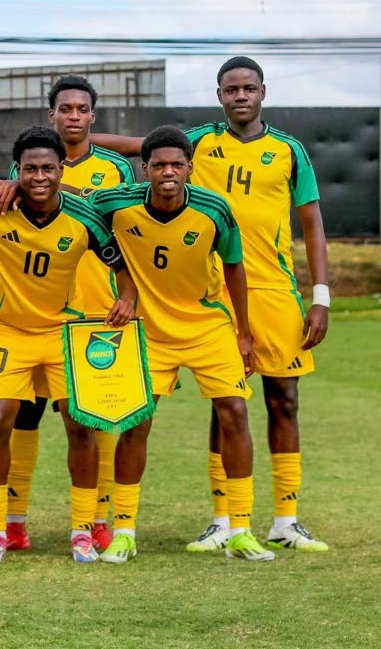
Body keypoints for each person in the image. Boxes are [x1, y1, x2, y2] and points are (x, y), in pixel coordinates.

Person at [92, 57, 330, 553]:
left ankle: (286, 520)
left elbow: (311, 223)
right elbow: (140, 146)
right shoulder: (198, 142)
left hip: (273, 291)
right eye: (230, 89)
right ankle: (224, 521)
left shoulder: (289, 150)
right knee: (225, 408)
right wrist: (71, 142)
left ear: (263, 91)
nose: (240, 96)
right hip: (213, 296)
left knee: (284, 401)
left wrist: (320, 295)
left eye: (248, 88)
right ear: (219, 95)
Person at [0, 126, 136, 564]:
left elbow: (121, 262)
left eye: (48, 168)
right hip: (10, 330)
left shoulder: (84, 217)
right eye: (30, 169)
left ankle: (82, 531)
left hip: (65, 333)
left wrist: (127, 298)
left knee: (80, 426)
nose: (39, 176)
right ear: (16, 171)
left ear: (62, 169)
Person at [90, 126, 274, 563]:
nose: (167, 172)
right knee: (135, 424)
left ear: (190, 168)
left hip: (207, 327)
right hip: (151, 331)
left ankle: (241, 530)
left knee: (235, 411)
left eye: (176, 164)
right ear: (145, 169)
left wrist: (244, 334)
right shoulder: (117, 203)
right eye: (158, 165)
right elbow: (70, 207)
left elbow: (234, 270)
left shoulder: (214, 209)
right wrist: (127, 288)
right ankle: (125, 532)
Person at [0, 76, 136, 552]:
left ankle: (95, 519)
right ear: (50, 114)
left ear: (93, 116)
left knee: (96, 420)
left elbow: (127, 233)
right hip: (35, 311)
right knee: (23, 419)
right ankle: (13, 521)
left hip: (98, 312)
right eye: (64, 109)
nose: (73, 116)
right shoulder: (25, 169)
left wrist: (130, 296)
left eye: (81, 109)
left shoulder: (115, 168)